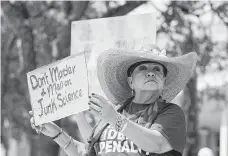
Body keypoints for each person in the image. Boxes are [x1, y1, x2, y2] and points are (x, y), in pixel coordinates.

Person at [30, 44, 198, 156]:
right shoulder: (116, 110)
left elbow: (158, 144)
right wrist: (57, 134)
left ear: (163, 82)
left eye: (157, 69)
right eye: (143, 68)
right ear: (130, 81)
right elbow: (88, 152)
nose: (151, 72)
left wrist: (115, 120)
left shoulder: (171, 113)